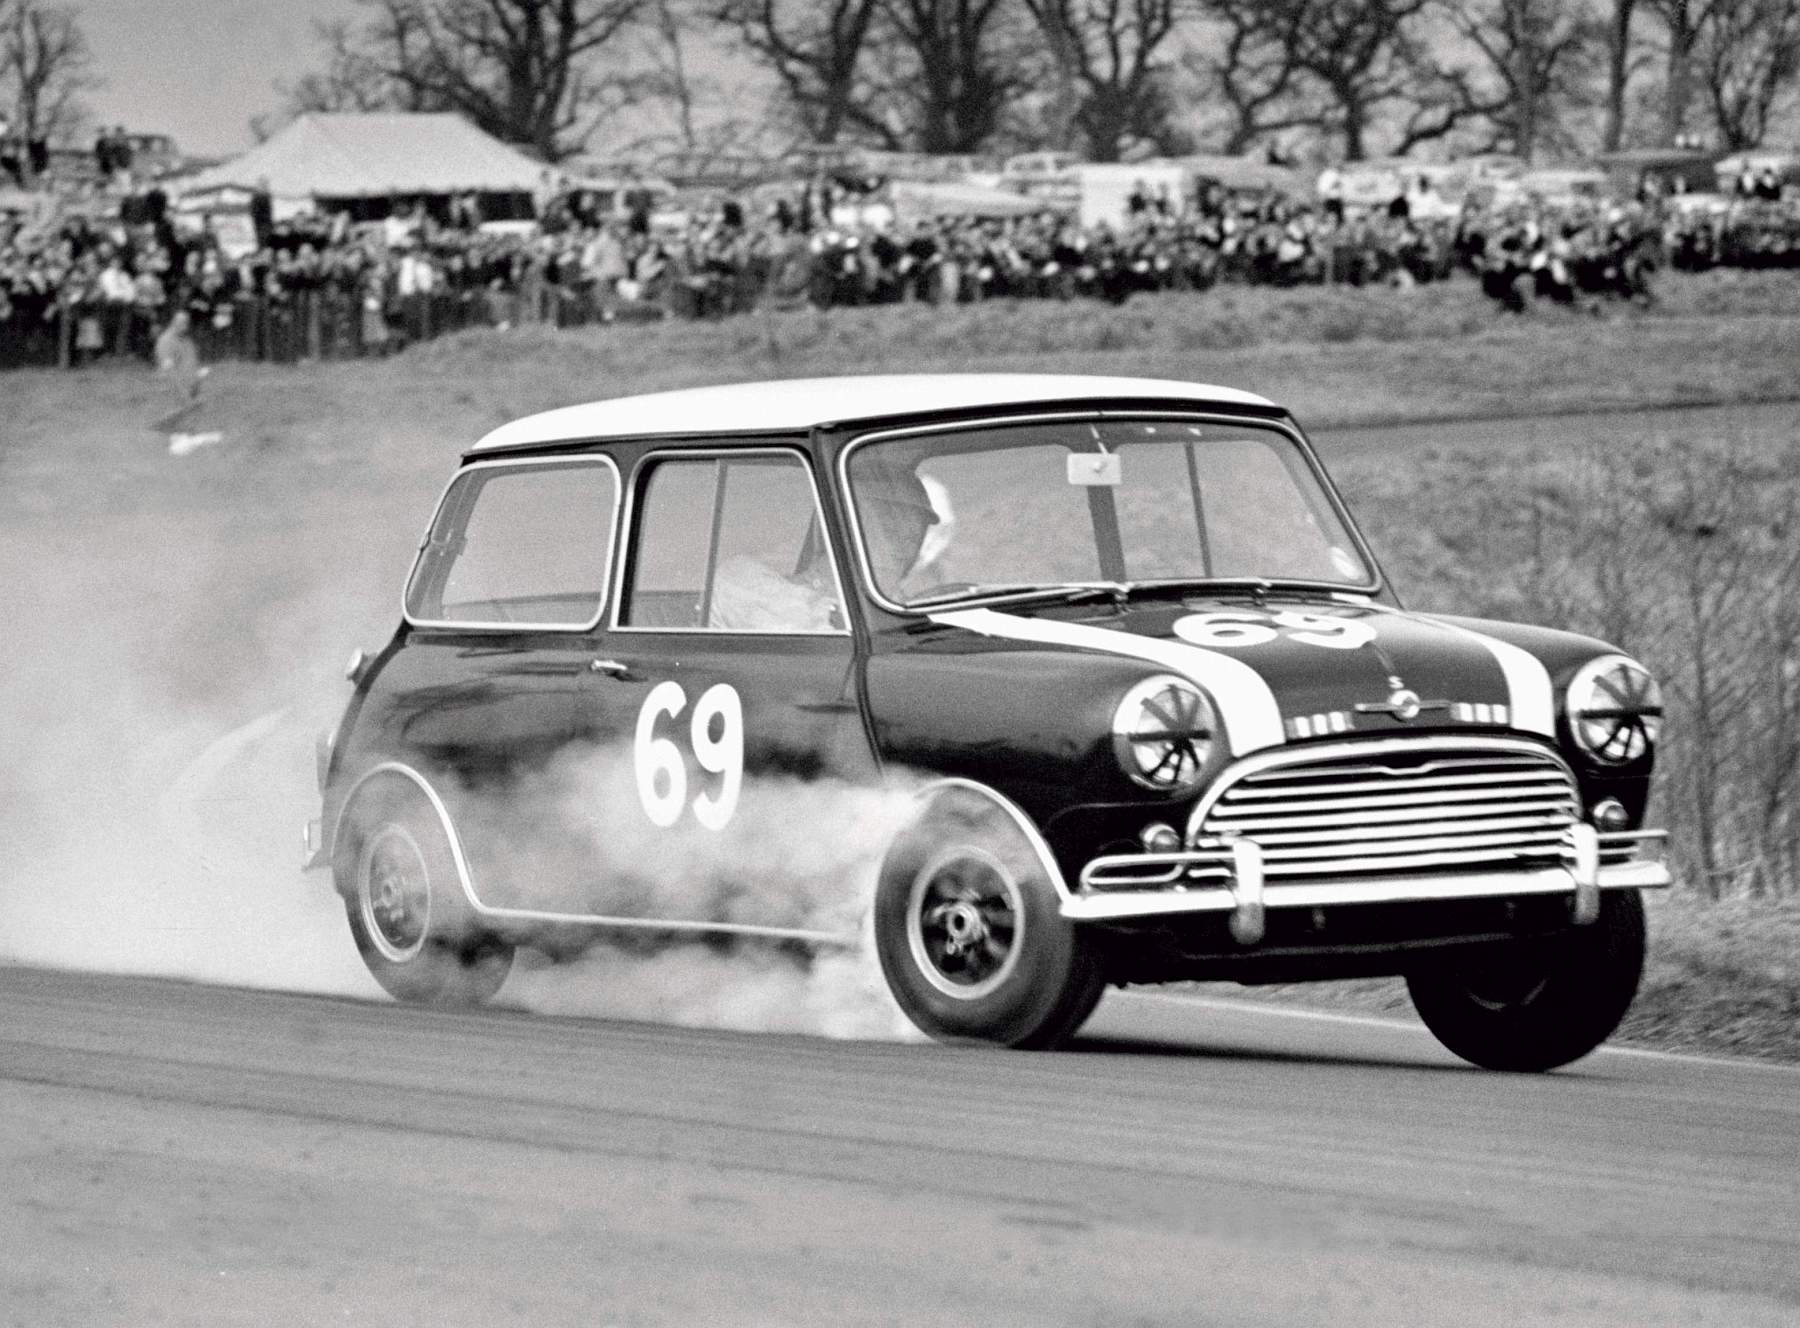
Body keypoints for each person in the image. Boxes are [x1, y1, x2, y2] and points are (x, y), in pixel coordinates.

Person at [152, 310, 221, 454]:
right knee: (178, 416)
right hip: (176, 388)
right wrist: (182, 391)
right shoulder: (166, 341)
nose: (184, 326)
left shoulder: (187, 340)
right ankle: (169, 440)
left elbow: (191, 361)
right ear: (173, 323)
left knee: (190, 413)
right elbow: (169, 370)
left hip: (191, 385)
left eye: (186, 323)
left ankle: (187, 437)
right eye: (181, 323)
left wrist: (198, 377)